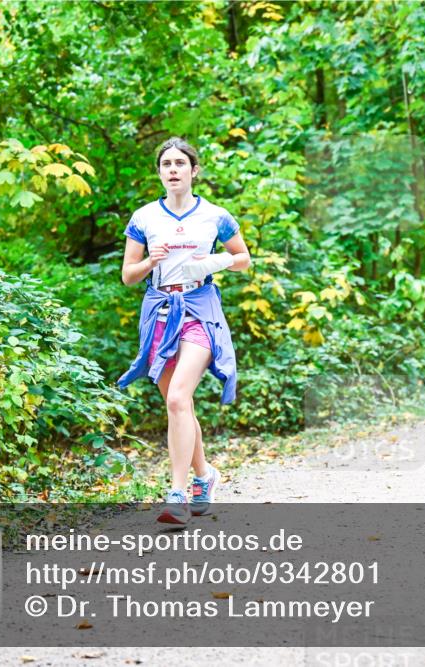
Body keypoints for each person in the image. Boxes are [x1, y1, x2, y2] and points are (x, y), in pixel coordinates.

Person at [118, 137, 251, 527]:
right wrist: (150, 262)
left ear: (194, 171)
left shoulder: (215, 215)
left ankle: (177, 495)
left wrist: (210, 262)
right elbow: (128, 275)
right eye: (165, 164)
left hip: (200, 307)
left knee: (178, 396)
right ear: (159, 173)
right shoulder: (144, 218)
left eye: (179, 163)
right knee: (179, 405)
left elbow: (243, 258)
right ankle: (204, 475)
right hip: (159, 310)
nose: (172, 170)